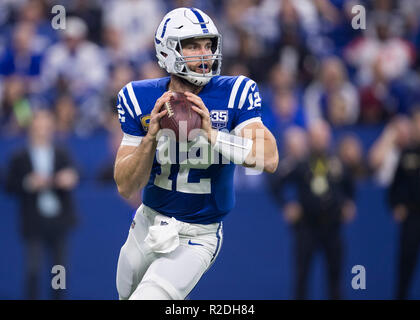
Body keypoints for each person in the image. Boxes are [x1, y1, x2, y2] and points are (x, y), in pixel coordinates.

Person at [113, 7, 279, 300]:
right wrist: (151, 137)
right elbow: (126, 185)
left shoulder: (235, 91)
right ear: (167, 50)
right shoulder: (138, 97)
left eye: (208, 45)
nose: (204, 53)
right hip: (148, 223)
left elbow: (269, 158)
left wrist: (212, 135)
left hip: (197, 234)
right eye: (192, 45)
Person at [268, 120, 355, 299]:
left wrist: (349, 203)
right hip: (307, 226)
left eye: (324, 137)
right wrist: (287, 204)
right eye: (316, 137)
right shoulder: (300, 163)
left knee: (335, 276)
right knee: (302, 276)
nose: (320, 141)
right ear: (309, 139)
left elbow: (350, 185)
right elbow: (275, 183)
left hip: (333, 226)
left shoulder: (336, 163)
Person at [5, 109, 79, 300]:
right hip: (33, 220)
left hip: (59, 220)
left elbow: (75, 173)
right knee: (34, 268)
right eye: (40, 126)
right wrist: (28, 183)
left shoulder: (61, 152)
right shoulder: (19, 156)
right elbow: (9, 184)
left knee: (59, 268)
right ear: (32, 128)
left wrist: (69, 178)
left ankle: (58, 298)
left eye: (47, 126)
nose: (44, 130)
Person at [388, 108, 420, 299]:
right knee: (406, 263)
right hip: (412, 216)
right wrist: (396, 204)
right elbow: (396, 184)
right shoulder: (407, 153)